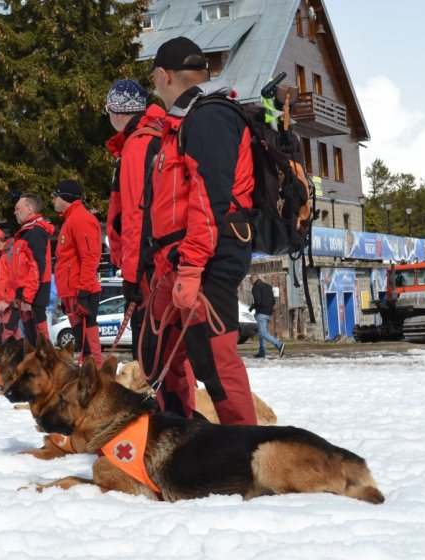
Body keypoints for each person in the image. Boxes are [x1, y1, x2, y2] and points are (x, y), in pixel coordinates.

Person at [143, 36, 258, 425]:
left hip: (207, 256)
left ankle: (245, 449)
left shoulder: (210, 116)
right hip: (177, 258)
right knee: (155, 353)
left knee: (213, 358)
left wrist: (191, 269)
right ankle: (178, 434)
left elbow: (209, 201)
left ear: (164, 75)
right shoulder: (184, 119)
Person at [104, 78, 165, 360]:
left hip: (147, 267)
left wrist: (131, 275)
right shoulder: (154, 135)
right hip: (155, 260)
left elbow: (135, 216)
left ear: (117, 111)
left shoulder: (138, 145)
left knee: (150, 355)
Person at [53, 179, 103, 366]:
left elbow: (90, 256)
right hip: (72, 290)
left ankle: (98, 379)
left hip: (81, 290)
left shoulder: (81, 218)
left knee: (89, 345)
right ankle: (91, 379)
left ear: (65, 197)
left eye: (55, 196)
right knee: (83, 345)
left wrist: (83, 290)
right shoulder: (70, 219)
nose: (53, 201)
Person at [8, 193, 55, 345]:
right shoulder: (25, 232)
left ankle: (47, 365)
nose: (15, 212)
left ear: (29, 208)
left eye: (17, 208)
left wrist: (28, 297)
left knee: (40, 340)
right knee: (31, 338)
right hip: (25, 293)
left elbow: (36, 267)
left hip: (34, 294)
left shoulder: (35, 232)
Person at [249, 274, 285, 359]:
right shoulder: (268, 286)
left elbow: (258, 301)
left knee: (262, 332)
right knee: (262, 332)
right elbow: (273, 301)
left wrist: (253, 306)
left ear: (252, 280)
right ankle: (262, 352)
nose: (251, 283)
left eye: (250, 281)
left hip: (261, 312)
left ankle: (279, 344)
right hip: (269, 312)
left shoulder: (255, 287)